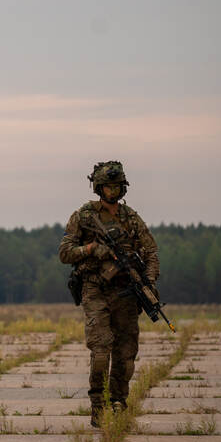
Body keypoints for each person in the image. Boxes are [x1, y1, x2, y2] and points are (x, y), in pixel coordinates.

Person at [58, 161, 159, 427]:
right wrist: (90, 249)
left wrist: (147, 281)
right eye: (107, 186)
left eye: (116, 186)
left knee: (126, 353)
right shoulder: (84, 216)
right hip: (95, 289)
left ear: (123, 188)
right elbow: (65, 253)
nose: (112, 191)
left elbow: (151, 253)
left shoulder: (131, 218)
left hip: (126, 292)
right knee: (101, 350)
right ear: (98, 187)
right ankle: (98, 406)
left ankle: (118, 402)